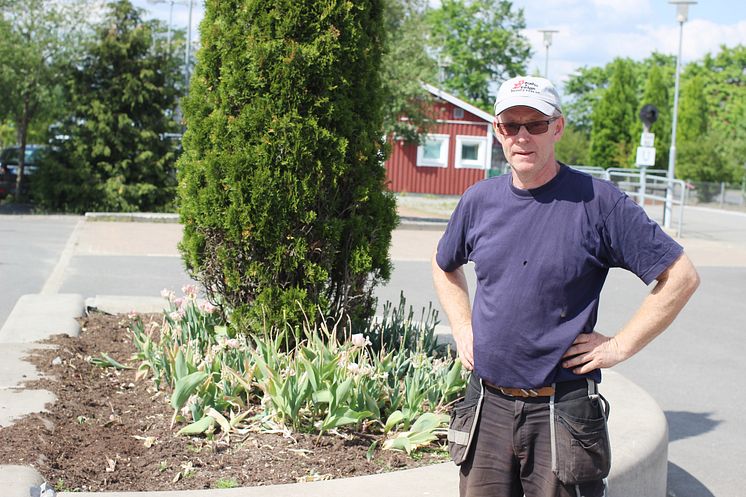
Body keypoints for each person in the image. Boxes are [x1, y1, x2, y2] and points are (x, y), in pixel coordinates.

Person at [432, 76, 700, 497]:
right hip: (487, 407)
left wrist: (618, 346)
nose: (522, 136)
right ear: (498, 131)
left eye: (535, 124)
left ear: (557, 127)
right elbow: (444, 265)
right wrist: (463, 327)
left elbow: (681, 277)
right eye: (510, 125)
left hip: (562, 412)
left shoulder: (598, 202)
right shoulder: (479, 200)